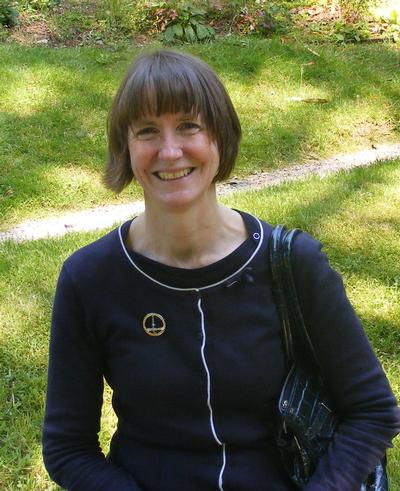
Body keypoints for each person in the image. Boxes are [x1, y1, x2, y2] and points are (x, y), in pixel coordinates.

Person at [42, 49, 400, 491]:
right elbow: (67, 448)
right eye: (147, 131)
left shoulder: (293, 263)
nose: (169, 151)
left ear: (221, 136)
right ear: (125, 148)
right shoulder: (89, 278)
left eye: (189, 126)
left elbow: (372, 412)